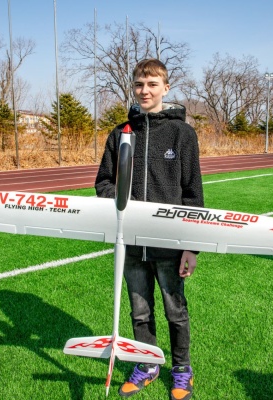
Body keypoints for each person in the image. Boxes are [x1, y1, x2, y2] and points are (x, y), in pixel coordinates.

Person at [95, 58, 203, 400]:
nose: (145, 90)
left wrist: (191, 247)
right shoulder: (121, 133)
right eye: (139, 84)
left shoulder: (182, 134)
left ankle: (182, 369)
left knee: (175, 311)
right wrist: (122, 202)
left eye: (152, 84)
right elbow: (103, 183)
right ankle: (148, 363)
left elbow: (193, 194)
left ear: (165, 88)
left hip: (169, 243)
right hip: (130, 244)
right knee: (140, 312)